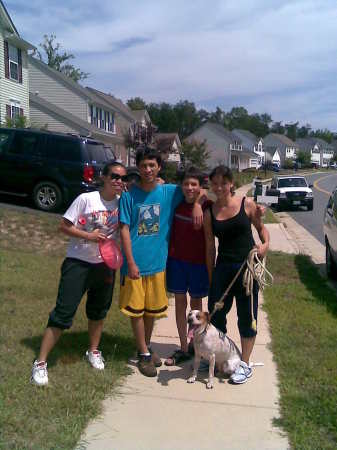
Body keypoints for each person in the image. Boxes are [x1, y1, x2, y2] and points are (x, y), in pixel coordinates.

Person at [31, 161, 127, 386]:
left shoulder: (124, 203)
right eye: (114, 176)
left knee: (98, 311)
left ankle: (93, 351)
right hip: (78, 262)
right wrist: (88, 236)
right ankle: (41, 363)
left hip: (105, 265)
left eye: (122, 178)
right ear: (104, 176)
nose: (118, 181)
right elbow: (64, 226)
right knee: (63, 312)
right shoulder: (86, 199)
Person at [119, 147, 203, 377]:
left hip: (158, 265)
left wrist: (196, 204)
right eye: (144, 165)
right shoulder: (129, 196)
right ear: (138, 167)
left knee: (151, 312)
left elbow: (195, 189)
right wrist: (131, 262)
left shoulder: (169, 192)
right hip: (135, 264)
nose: (147, 170)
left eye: (152, 166)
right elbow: (124, 230)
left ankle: (145, 347)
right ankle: (144, 354)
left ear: (159, 167)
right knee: (136, 312)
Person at [204, 165, 270, 384]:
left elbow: (262, 230)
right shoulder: (210, 211)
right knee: (216, 315)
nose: (219, 187)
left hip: (246, 269)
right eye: (215, 183)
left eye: (223, 183)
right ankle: (220, 356)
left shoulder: (246, 204)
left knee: (247, 317)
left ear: (231, 183)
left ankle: (245, 363)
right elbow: (209, 247)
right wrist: (212, 275)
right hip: (223, 268)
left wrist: (265, 245)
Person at [165, 166, 212, 366]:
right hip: (177, 261)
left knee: (196, 305)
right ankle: (184, 347)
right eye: (186, 184)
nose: (189, 188)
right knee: (179, 302)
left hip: (198, 263)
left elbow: (216, 195)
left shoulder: (208, 204)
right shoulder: (176, 202)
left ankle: (196, 346)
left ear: (200, 187)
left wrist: (199, 204)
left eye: (194, 184)